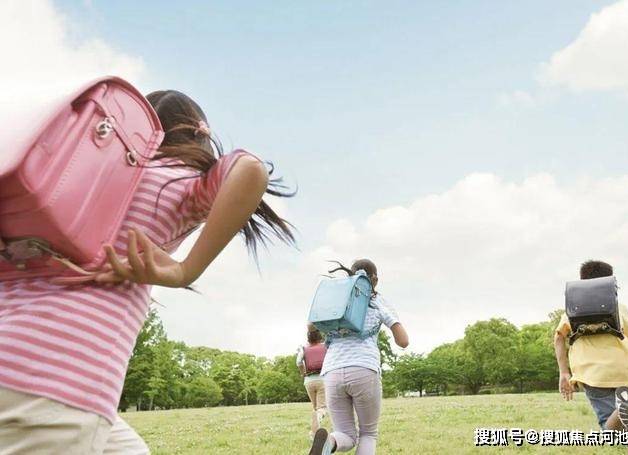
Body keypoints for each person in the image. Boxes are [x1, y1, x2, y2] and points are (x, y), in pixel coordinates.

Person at [0, 89, 295, 454]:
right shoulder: (181, 180)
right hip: (61, 380)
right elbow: (250, 169)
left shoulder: (70, 174)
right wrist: (185, 271)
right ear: (198, 135)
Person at [309, 259, 409, 455]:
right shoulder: (377, 302)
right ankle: (328, 443)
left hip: (332, 372)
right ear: (375, 280)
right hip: (364, 368)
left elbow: (312, 326)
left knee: (344, 433)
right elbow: (403, 341)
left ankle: (329, 442)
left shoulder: (337, 300)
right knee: (368, 433)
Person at [554, 260, 628, 455]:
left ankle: (621, 411)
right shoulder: (619, 307)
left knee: (610, 431)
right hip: (625, 369)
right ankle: (625, 409)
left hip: (592, 373)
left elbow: (559, 337)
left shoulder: (572, 310)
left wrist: (564, 372)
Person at [297, 323, 328, 440]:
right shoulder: (325, 346)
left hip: (309, 381)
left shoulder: (303, 349)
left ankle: (314, 434)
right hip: (322, 379)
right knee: (322, 408)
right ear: (319, 335)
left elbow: (298, 362)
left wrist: (303, 372)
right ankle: (314, 430)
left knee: (315, 409)